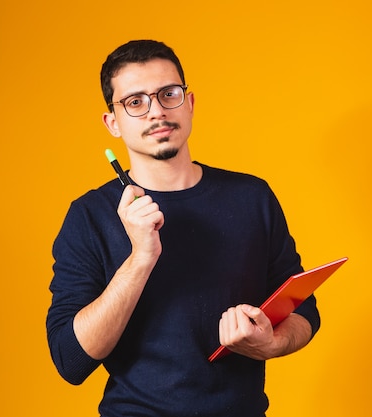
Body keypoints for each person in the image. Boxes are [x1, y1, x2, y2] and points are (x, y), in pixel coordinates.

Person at [46, 39, 320, 417]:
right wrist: (141, 258)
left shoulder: (252, 196)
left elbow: (304, 309)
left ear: (189, 103)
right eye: (135, 102)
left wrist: (270, 343)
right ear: (113, 122)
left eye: (168, 94)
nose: (156, 111)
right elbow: (71, 360)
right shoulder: (88, 216)